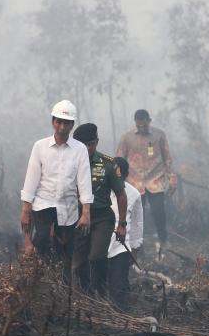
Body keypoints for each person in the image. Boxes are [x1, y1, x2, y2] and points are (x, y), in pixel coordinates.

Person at [20, 100, 93, 281]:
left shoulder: (80, 149)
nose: (61, 127)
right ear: (53, 122)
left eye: (66, 123)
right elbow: (32, 178)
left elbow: (84, 182)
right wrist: (25, 209)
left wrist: (86, 212)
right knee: (43, 238)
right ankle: (37, 274)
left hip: (68, 207)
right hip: (43, 203)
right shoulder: (40, 147)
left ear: (72, 125)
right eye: (58, 122)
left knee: (65, 249)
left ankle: (61, 284)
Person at [72, 123, 127, 296]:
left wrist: (122, 224)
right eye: (84, 144)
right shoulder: (68, 163)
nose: (88, 148)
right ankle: (86, 295)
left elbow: (121, 195)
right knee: (78, 264)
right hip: (77, 218)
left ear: (97, 142)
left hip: (102, 217)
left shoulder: (108, 164)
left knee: (96, 256)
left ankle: (102, 290)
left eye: (91, 144)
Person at [116, 109, 176, 256]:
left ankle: (163, 240)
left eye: (144, 124)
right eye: (139, 125)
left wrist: (172, 178)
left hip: (155, 180)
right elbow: (119, 159)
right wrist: (117, 181)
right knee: (136, 215)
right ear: (135, 122)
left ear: (149, 121)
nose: (142, 127)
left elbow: (167, 158)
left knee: (158, 212)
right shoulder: (127, 138)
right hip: (134, 182)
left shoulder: (159, 135)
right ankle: (137, 246)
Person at [107, 157, 143, 310]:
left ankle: (121, 313)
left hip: (121, 245)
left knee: (119, 283)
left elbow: (137, 223)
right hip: (99, 243)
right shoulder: (99, 190)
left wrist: (135, 249)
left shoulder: (133, 194)